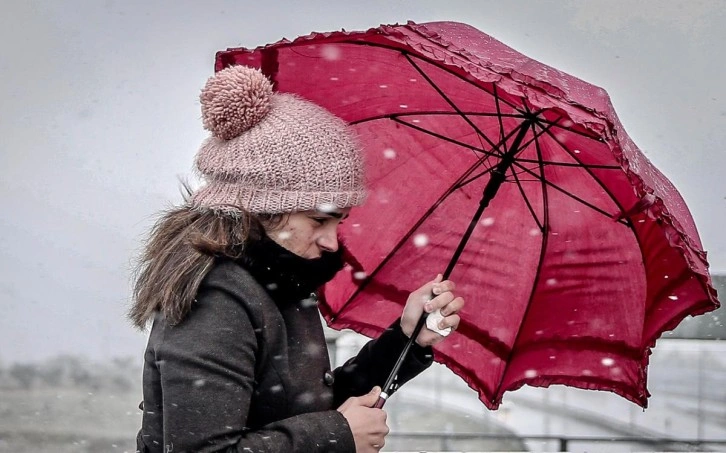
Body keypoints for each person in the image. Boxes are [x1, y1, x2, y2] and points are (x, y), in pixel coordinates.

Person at [130, 65, 464, 453]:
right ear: (263, 209)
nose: (331, 242)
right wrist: (338, 435)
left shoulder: (275, 286)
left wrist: (405, 339)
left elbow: (300, 407)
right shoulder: (218, 298)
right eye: (319, 220)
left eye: (339, 222)